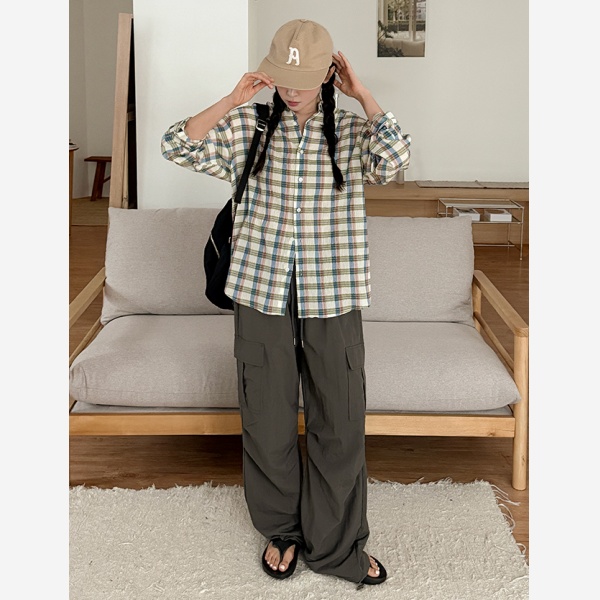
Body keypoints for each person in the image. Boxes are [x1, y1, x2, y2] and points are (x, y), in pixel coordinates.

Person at [161, 18, 410, 588]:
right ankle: (282, 531)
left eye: (304, 78)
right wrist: (232, 99)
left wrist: (363, 94)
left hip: (334, 295)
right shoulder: (247, 126)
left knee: (339, 422)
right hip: (260, 291)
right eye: (283, 77)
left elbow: (396, 159)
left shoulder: (352, 133)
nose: (292, 89)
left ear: (328, 74)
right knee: (266, 420)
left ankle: (337, 545)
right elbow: (177, 143)